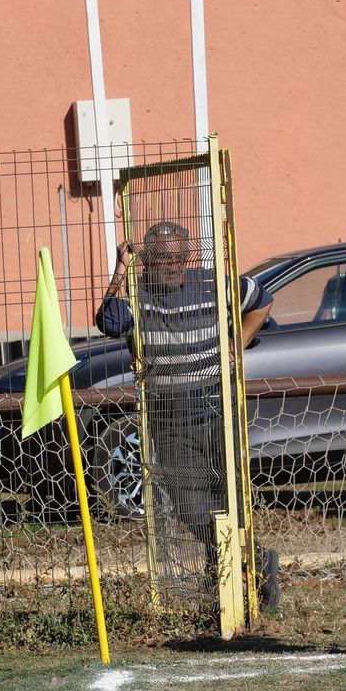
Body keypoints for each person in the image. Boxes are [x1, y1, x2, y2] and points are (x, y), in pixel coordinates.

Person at [95, 221, 278, 604]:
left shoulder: (212, 283)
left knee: (230, 496)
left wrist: (236, 345)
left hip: (217, 410)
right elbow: (109, 322)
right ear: (147, 260)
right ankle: (256, 559)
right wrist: (120, 271)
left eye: (181, 258)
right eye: (165, 259)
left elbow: (261, 299)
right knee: (190, 506)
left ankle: (232, 579)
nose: (174, 266)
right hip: (169, 421)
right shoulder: (136, 293)